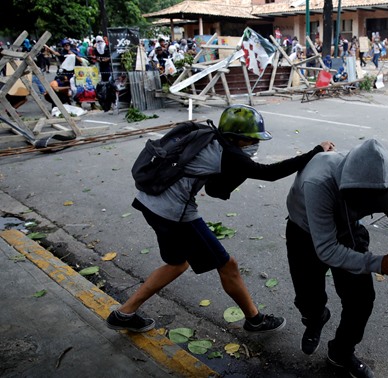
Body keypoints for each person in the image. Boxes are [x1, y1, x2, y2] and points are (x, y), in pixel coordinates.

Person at [106, 105, 335, 334]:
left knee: (177, 264)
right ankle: (255, 319)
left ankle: (124, 313)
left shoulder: (208, 136)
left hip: (150, 202)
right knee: (227, 265)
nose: (253, 144)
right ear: (235, 137)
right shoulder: (229, 154)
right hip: (174, 213)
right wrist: (315, 151)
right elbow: (270, 173)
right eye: (250, 139)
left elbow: (216, 188)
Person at [284, 139, 388, 378]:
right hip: (304, 231)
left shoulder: (383, 186)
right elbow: (326, 249)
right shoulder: (319, 183)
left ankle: (340, 352)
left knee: (361, 299)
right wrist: (378, 263)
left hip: (347, 230)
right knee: (308, 297)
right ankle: (316, 318)